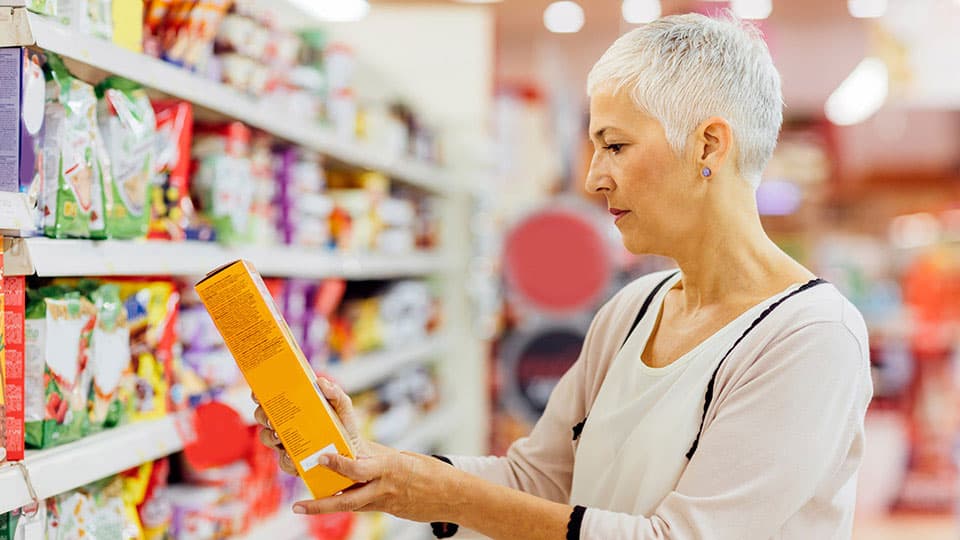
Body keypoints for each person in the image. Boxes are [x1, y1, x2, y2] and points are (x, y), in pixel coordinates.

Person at [254, 13, 872, 540]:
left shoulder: (810, 338)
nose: (593, 179)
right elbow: (538, 480)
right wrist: (376, 466)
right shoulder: (634, 311)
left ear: (709, 146)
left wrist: (439, 494)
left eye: (616, 146)